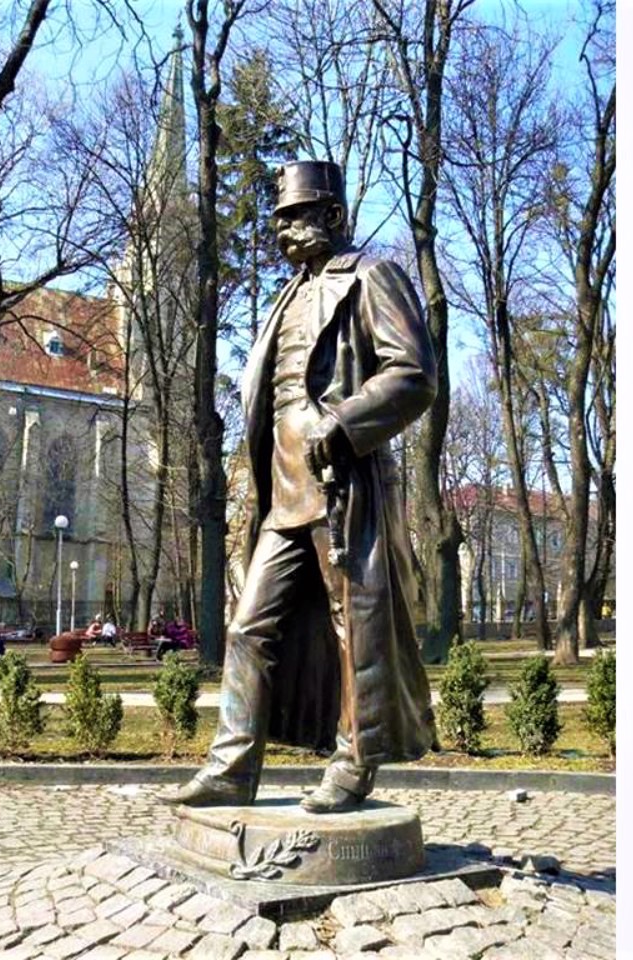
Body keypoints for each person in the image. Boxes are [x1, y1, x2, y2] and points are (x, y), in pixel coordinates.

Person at [164, 160, 437, 814]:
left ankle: (355, 759)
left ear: (334, 216)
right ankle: (233, 766)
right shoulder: (286, 298)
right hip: (280, 489)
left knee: (356, 629)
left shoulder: (373, 278)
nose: (284, 231)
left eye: (297, 216)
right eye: (279, 220)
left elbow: (415, 373)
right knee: (248, 626)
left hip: (341, 482)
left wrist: (343, 424)